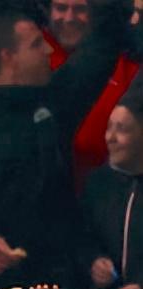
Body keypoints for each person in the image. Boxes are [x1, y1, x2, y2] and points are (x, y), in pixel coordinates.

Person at [0, 4, 127, 289]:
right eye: (36, 44)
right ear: (8, 57)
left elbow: (99, 52)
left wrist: (90, 257)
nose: (48, 49)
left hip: (59, 280)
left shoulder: (53, 102)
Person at [79, 92, 143, 289]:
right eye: (108, 127)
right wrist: (93, 262)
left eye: (122, 129)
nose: (110, 138)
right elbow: (81, 238)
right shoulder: (98, 184)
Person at [45, 0, 140, 187]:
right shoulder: (31, 56)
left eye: (80, 9)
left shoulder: (127, 62)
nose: (69, 18)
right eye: (61, 8)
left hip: (114, 189)